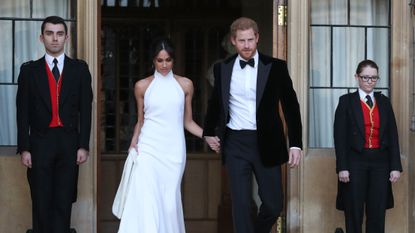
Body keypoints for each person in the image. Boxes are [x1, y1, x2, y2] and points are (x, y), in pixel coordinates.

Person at [203, 17, 303, 233]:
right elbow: (215, 103)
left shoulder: (276, 67)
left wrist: (295, 143)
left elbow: (291, 107)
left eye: (250, 39)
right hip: (236, 143)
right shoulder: (223, 68)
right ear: (233, 41)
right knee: (240, 205)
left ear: (257, 38)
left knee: (274, 204)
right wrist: (208, 132)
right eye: (241, 41)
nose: (247, 45)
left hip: (267, 142)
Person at [114, 38, 203, 233]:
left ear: (174, 60)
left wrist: (209, 136)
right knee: (147, 200)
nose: (164, 65)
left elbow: (188, 122)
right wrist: (133, 144)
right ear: (153, 61)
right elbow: (141, 120)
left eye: (168, 60)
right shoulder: (142, 86)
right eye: (159, 60)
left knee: (170, 203)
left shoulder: (185, 85)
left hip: (173, 152)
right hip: (148, 150)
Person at [16, 16, 93, 233]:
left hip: (69, 143)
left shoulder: (79, 70)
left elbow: (86, 110)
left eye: (59, 33)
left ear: (66, 37)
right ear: (41, 38)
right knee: (41, 201)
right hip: (40, 142)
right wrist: (24, 148)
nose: (55, 38)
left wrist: (83, 145)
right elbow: (22, 112)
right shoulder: (29, 71)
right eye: (49, 33)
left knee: (63, 200)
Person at [334, 59, 402, 233]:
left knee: (377, 211)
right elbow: (340, 137)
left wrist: (395, 167)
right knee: (354, 210)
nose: (370, 82)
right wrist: (342, 167)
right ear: (357, 77)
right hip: (355, 162)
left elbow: (393, 135)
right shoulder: (346, 101)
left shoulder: (384, 102)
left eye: (374, 78)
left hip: (381, 162)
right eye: (365, 78)